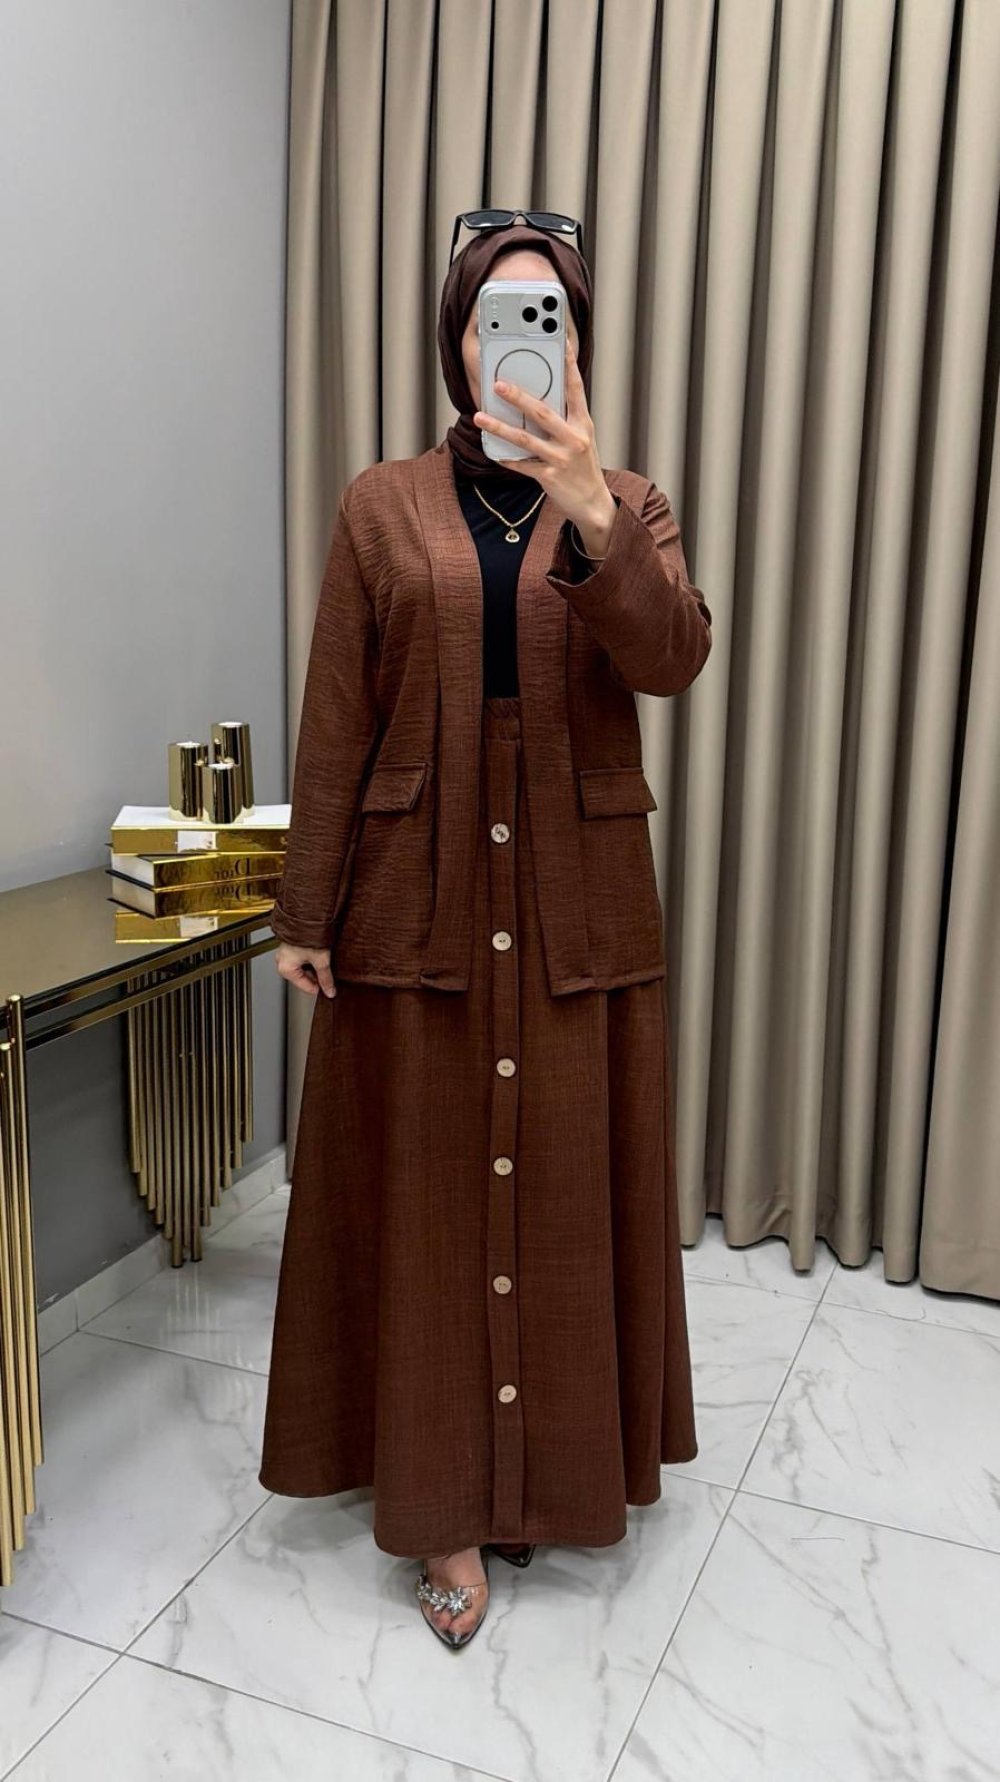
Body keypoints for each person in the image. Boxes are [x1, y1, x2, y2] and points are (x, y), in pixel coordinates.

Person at [259, 215, 713, 1650]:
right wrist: (307, 905)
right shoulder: (381, 505)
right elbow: (339, 711)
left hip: (578, 895)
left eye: (548, 313)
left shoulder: (629, 501)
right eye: (495, 313)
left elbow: (673, 657)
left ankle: (554, 1480)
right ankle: (443, 1503)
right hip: (420, 891)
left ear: (577, 341)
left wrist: (596, 520)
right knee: (431, 1195)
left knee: (566, 1184)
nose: (521, 335)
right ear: (457, 341)